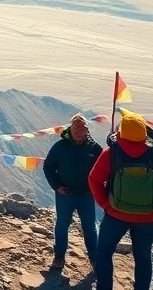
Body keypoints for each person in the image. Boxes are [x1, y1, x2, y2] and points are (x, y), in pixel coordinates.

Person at [88, 112, 153, 290]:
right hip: (147, 217)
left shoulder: (110, 154)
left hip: (116, 215)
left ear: (121, 132)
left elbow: (94, 180)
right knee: (143, 257)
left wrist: (106, 205)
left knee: (104, 253)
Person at [42, 115, 102, 272]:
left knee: (90, 227)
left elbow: (104, 170)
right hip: (65, 194)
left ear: (87, 129)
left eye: (82, 127)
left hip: (86, 195)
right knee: (62, 224)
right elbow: (48, 167)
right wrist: (56, 186)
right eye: (76, 127)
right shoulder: (60, 147)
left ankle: (94, 258)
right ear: (70, 129)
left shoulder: (95, 149)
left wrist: (96, 188)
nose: (79, 130)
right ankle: (59, 256)